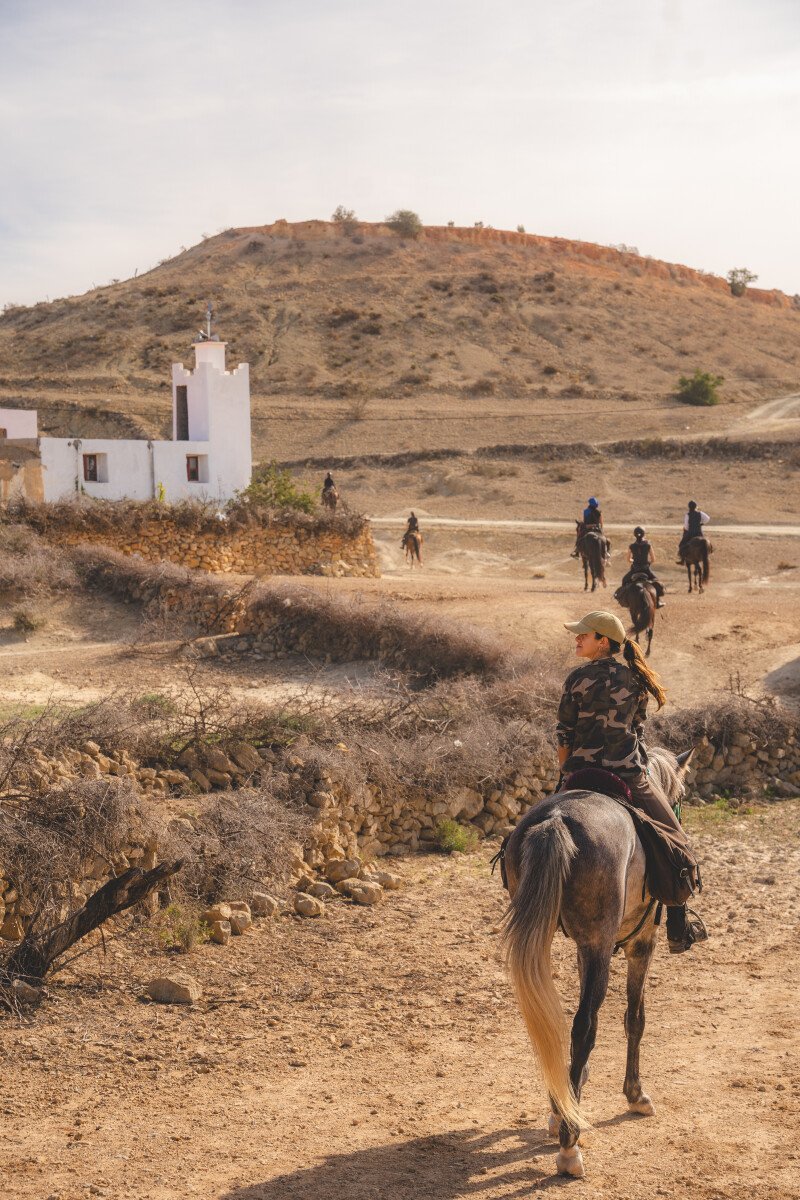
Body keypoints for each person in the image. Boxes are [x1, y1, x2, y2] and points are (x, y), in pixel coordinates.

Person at [556, 609, 707, 953]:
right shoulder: (635, 680)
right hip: (628, 774)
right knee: (678, 842)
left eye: (584, 634)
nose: (577, 638)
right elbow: (638, 732)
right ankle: (679, 925)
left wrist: (566, 774)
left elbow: (564, 735)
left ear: (603, 642)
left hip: (580, 773)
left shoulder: (576, 680)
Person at [618, 527, 665, 607]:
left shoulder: (631, 546)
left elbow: (628, 559)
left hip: (634, 570)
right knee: (657, 583)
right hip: (646, 570)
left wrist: (633, 561)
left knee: (624, 580)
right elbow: (653, 559)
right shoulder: (648, 545)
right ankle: (657, 601)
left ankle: (624, 600)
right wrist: (647, 563)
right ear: (644, 534)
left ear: (634, 535)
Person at [676, 500, 709, 565]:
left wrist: (687, 529)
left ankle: (682, 560)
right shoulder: (700, 513)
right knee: (706, 543)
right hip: (699, 534)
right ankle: (709, 552)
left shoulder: (687, 515)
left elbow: (686, 527)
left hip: (691, 534)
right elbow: (707, 518)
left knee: (681, 545)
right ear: (696, 506)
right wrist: (701, 523)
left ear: (689, 507)